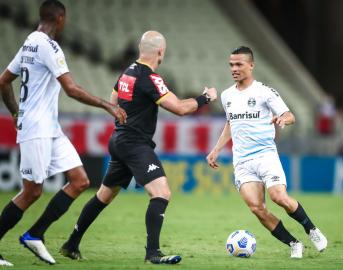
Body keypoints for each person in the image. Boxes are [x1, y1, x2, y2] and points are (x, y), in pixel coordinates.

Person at [59, 30, 217, 265]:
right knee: (161, 192)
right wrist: (205, 98)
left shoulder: (127, 74)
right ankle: (152, 253)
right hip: (134, 144)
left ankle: (71, 244)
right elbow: (181, 109)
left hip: (120, 140)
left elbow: (113, 102)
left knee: (104, 195)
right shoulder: (150, 78)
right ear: (161, 52)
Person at [0, 0, 127, 266]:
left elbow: (4, 81)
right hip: (37, 128)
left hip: (49, 127)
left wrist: (15, 112)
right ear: (60, 19)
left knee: (80, 180)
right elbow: (71, 89)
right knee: (32, 192)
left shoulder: (28, 43)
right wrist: (107, 105)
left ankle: (35, 234)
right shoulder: (48, 46)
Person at [206, 46, 327, 259]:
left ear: (251, 65)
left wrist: (282, 119)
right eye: (231, 65)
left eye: (239, 64)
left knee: (278, 197)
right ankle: (293, 243)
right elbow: (231, 123)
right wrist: (216, 149)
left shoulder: (264, 91)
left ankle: (311, 230)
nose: (234, 68)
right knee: (257, 208)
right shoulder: (227, 96)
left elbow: (290, 115)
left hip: (265, 155)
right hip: (242, 161)